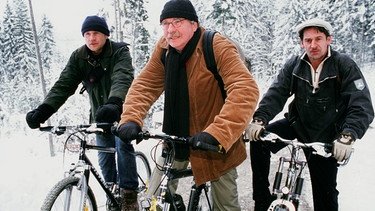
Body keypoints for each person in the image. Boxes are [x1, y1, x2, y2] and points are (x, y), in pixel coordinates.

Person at [115, 0, 259, 210]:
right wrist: (130, 119)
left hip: (214, 142)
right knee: (153, 202)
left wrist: (217, 133)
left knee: (225, 205)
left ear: (194, 24)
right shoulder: (164, 49)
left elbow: (244, 90)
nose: (170, 29)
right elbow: (144, 86)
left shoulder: (216, 46)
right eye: (165, 23)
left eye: (177, 22)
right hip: (176, 138)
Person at [245, 18, 374, 211]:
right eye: (308, 40)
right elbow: (277, 93)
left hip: (326, 135)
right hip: (297, 124)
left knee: (325, 196)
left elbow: (361, 104)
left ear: (328, 40)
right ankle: (262, 201)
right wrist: (260, 118)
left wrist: (347, 136)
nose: (313, 45)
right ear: (302, 43)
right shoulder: (295, 65)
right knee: (260, 141)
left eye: (318, 39)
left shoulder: (343, 65)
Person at [25, 15, 139, 210]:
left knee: (122, 146)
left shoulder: (120, 51)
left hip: (122, 112)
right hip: (99, 116)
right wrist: (44, 110)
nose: (91, 38)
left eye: (96, 33)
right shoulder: (79, 57)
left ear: (106, 35)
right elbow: (64, 85)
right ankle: (112, 191)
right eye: (87, 34)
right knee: (103, 157)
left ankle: (129, 195)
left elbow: (122, 77)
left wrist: (114, 103)